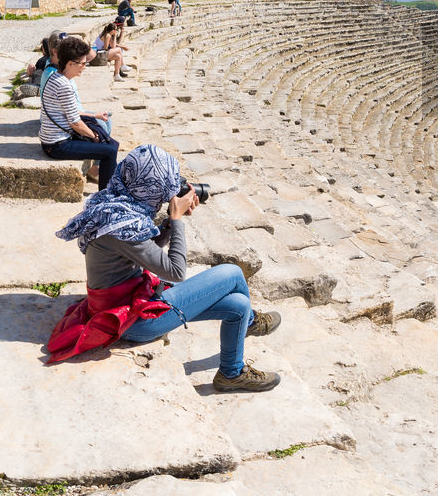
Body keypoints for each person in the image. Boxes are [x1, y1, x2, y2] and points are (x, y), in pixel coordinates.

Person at [48, 145, 282, 393]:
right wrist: (178, 220)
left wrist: (168, 223)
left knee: (238, 306)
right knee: (232, 273)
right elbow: (176, 271)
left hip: (132, 299)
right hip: (132, 320)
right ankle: (249, 326)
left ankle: (232, 371)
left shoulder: (113, 206)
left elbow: (146, 249)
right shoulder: (121, 228)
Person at [39, 37, 119, 188]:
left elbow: (71, 110)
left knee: (110, 142)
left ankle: (110, 187)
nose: (84, 67)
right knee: (109, 150)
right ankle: (106, 195)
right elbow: (75, 123)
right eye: (82, 63)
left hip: (51, 140)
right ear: (70, 64)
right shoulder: (64, 86)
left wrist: (94, 116)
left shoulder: (55, 77)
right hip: (57, 145)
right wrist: (93, 136)